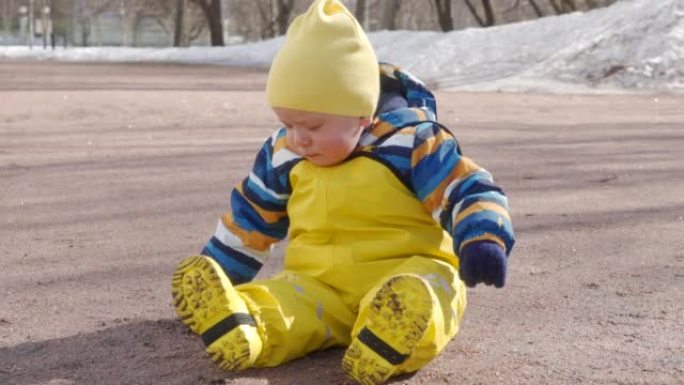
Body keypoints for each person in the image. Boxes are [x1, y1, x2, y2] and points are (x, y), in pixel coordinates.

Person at [171, 0, 515, 384]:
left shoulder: (412, 142)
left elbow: (467, 188)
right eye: (287, 123)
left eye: (314, 126)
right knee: (283, 300)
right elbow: (251, 218)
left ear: (362, 115)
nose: (299, 138)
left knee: (434, 290)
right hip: (319, 284)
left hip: (405, 273)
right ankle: (241, 323)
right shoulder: (284, 153)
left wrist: (482, 236)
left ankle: (388, 338)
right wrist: (222, 273)